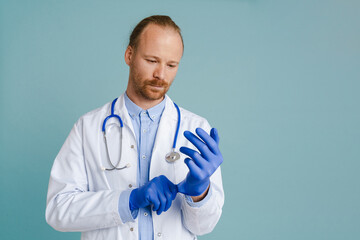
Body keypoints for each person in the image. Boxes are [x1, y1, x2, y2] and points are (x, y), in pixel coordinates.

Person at [46, 15, 224, 240]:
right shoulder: (88, 128)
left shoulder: (197, 128)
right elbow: (58, 210)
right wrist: (129, 200)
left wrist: (200, 193)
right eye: (152, 61)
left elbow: (204, 226)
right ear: (129, 55)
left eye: (171, 65)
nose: (161, 74)